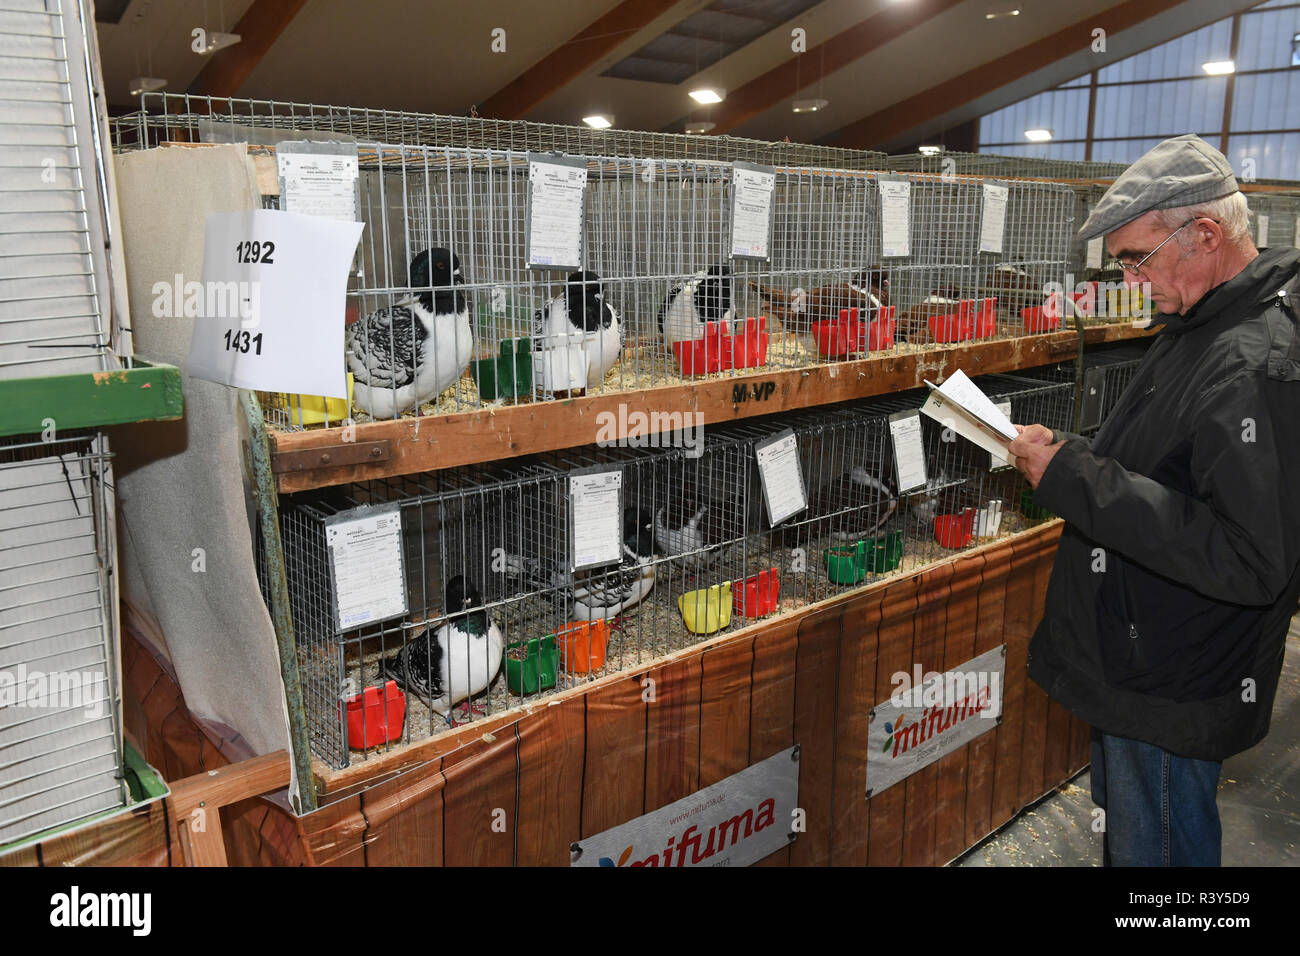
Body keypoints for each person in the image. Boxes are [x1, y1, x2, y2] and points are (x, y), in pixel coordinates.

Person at [1006, 134, 1300, 867]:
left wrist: (1075, 478)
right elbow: (1166, 464)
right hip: (1141, 647)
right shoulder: (1201, 325)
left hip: (1176, 667)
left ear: (1205, 232)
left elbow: (1250, 556)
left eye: (1138, 257)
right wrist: (1070, 452)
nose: (1132, 278)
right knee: (1137, 836)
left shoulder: (1252, 363)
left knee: (1159, 849)